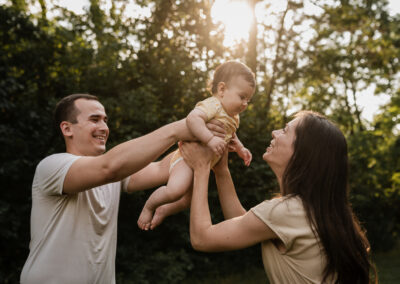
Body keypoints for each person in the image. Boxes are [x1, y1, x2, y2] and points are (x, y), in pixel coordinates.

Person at [20, 93, 225, 284]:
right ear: (67, 129)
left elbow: (163, 168)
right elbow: (109, 168)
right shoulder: (52, 167)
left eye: (105, 120)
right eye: (94, 119)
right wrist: (179, 129)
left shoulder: (114, 175)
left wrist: (200, 135)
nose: (104, 127)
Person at [180, 110, 377, 284]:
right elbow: (241, 222)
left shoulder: (287, 211)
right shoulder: (310, 209)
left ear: (303, 152)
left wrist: (201, 167)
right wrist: (221, 170)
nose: (274, 133)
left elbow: (202, 238)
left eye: (284, 130)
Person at [137, 61, 256, 231]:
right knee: (175, 191)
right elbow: (193, 119)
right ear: (222, 90)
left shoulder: (233, 116)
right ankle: (149, 206)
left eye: (248, 100)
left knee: (186, 200)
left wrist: (240, 148)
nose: (245, 103)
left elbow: (231, 135)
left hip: (202, 164)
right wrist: (209, 139)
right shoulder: (213, 104)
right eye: (242, 97)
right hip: (187, 160)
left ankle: (163, 209)